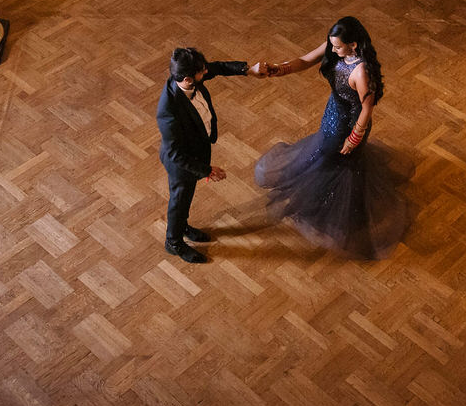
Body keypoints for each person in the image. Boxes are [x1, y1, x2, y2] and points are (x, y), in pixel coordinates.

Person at [254, 17, 410, 260]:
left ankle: (341, 211)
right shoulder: (336, 49)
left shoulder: (362, 72)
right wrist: (280, 69)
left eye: (337, 46)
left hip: (348, 127)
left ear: (354, 45)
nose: (333, 50)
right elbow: (306, 60)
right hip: (333, 114)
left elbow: (366, 109)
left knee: (338, 162)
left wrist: (354, 138)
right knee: (325, 155)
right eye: (332, 45)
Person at [158, 47, 266, 264]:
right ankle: (174, 242)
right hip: (182, 163)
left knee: (185, 198)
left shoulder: (189, 80)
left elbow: (217, 67)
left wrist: (248, 70)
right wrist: (207, 170)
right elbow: (175, 154)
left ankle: (183, 226)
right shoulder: (168, 110)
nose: (205, 72)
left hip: (195, 152)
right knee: (179, 200)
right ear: (188, 78)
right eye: (201, 72)